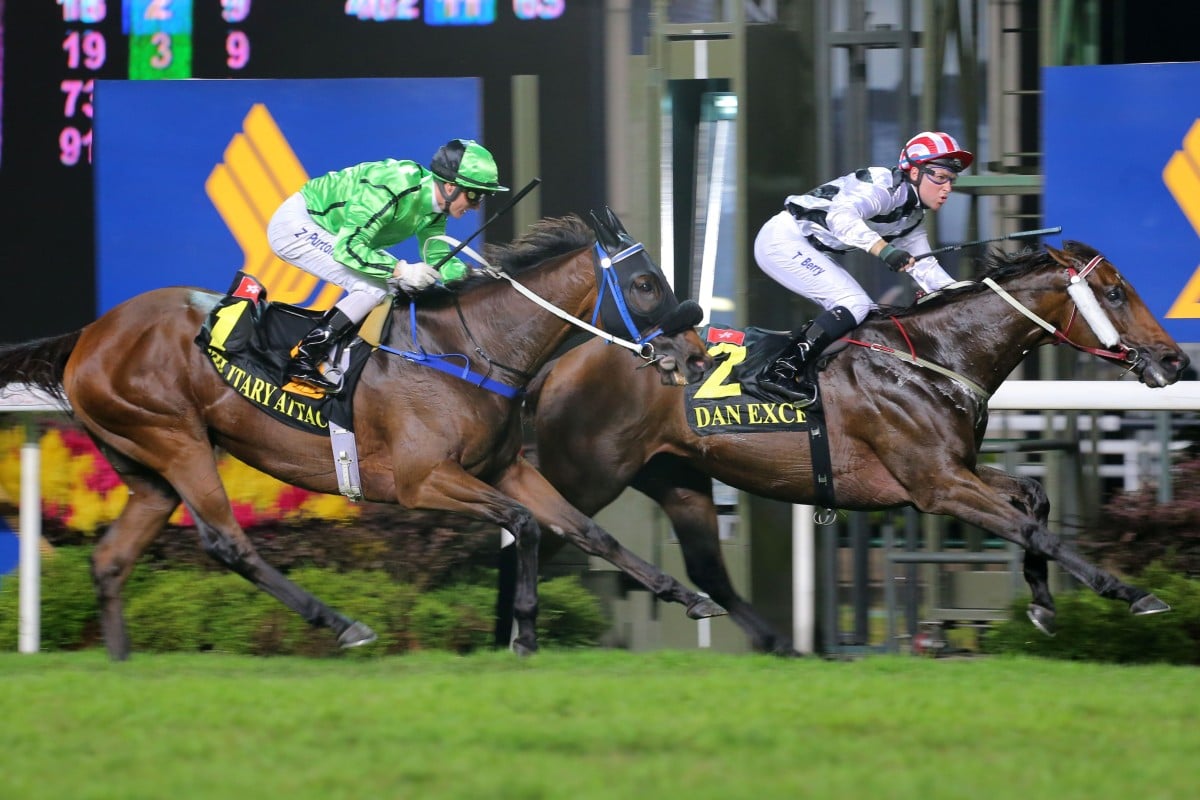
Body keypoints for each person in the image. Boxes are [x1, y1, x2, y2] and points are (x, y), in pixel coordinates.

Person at [266, 138, 508, 392]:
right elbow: (348, 248)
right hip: (298, 225)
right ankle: (305, 357)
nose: (477, 204)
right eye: (474, 194)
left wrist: (477, 279)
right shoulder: (394, 185)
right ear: (449, 187)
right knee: (373, 287)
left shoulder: (436, 208)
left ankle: (349, 359)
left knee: (397, 287)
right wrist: (402, 270)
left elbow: (437, 257)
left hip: (336, 235)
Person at [752, 130, 973, 404]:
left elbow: (927, 271)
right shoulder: (883, 184)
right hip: (783, 240)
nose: (947, 188)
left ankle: (811, 372)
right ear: (914, 172)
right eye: (939, 178)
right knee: (854, 303)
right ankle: (778, 373)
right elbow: (841, 217)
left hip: (805, 247)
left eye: (951, 180)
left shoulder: (912, 218)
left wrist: (971, 295)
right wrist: (885, 250)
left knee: (868, 313)